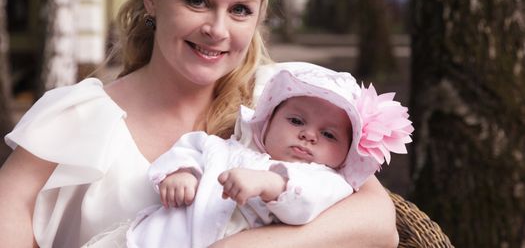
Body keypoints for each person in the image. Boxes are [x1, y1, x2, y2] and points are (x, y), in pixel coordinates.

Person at [0, 0, 399, 247]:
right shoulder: (78, 118)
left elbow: (379, 223)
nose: (218, 30)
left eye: (240, 9)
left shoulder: (283, 103)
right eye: (197, 1)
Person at [85, 66, 412, 248]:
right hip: (146, 241)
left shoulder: (324, 181)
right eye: (296, 120)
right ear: (266, 124)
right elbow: (189, 147)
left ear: (344, 155)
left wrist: (269, 183)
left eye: (329, 135)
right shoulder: (225, 148)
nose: (309, 135)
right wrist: (181, 173)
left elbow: (303, 204)